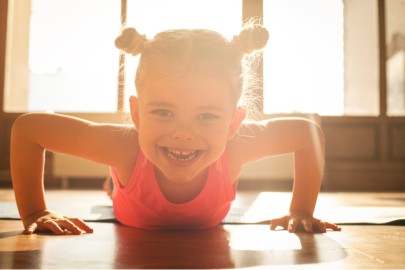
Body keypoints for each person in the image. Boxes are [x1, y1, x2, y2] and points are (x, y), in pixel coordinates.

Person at [10, 21, 341, 235]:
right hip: (131, 175)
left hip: (140, 169)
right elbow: (28, 129)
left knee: (130, 173)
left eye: (207, 116)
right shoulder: (123, 147)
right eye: (164, 112)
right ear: (137, 114)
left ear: (234, 123)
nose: (184, 133)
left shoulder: (238, 145)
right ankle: (114, 183)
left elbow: (306, 133)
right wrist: (36, 211)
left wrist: (300, 209)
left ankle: (115, 182)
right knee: (118, 183)